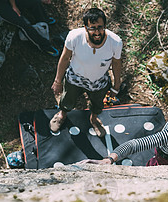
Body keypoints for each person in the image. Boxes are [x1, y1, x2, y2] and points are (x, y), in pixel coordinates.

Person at [50, 7, 122, 137]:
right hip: (75, 78)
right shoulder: (74, 37)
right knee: (67, 100)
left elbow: (116, 63)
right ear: (85, 27)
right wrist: (57, 81)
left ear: (105, 25)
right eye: (92, 28)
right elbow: (65, 58)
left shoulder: (115, 42)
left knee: (97, 104)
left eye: (100, 27)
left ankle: (94, 119)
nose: (97, 32)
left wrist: (117, 85)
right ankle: (62, 114)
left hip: (99, 81)